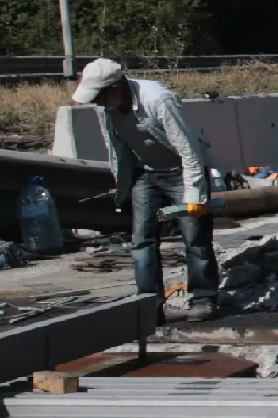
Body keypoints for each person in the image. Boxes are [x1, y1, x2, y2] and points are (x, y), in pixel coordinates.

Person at [73, 57, 222, 303]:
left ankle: (204, 296)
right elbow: (115, 147)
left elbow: (189, 149)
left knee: (195, 238)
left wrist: (194, 192)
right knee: (142, 241)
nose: (96, 104)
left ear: (115, 89)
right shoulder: (106, 108)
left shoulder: (158, 99)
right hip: (146, 173)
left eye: (98, 97)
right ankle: (148, 303)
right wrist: (122, 182)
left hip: (180, 172)